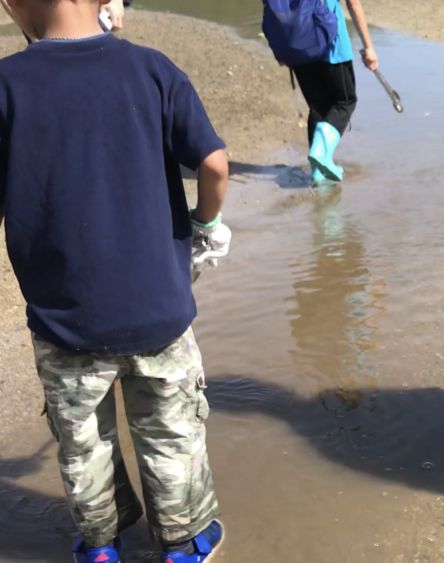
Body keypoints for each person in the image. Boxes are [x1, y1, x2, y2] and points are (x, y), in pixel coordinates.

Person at [0, 1, 230, 561]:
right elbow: (215, 164)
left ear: (11, 5)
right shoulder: (151, 69)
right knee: (171, 433)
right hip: (160, 309)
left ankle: (100, 545)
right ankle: (185, 543)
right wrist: (205, 223)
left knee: (84, 443)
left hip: (65, 320)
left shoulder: (6, 85)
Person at [277, 0, 379, 186]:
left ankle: (317, 174)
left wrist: (280, 47)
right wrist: (369, 46)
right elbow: (353, 3)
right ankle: (320, 149)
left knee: (318, 107)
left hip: (299, 46)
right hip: (332, 43)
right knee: (345, 101)